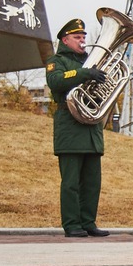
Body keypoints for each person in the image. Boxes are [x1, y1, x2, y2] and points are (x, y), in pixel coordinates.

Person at [45, 18, 109, 238]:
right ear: (65, 40)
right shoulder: (57, 60)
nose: (82, 41)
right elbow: (56, 81)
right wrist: (84, 74)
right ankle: (72, 224)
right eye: (77, 37)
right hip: (70, 125)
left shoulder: (93, 60)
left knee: (92, 181)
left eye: (83, 37)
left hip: (91, 126)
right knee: (71, 181)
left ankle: (88, 222)